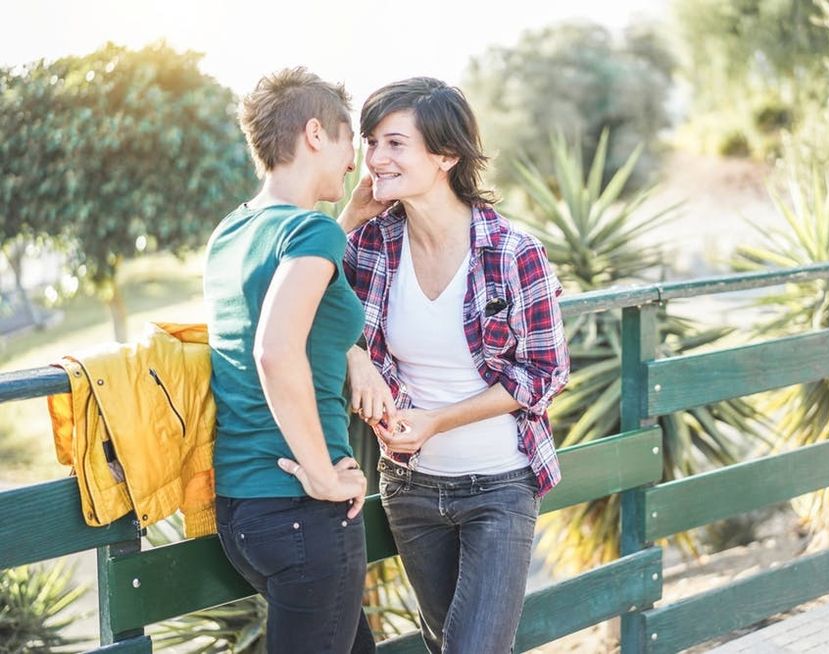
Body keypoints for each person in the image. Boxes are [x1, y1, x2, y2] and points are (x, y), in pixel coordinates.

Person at [343, 77, 570, 654]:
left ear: (445, 155)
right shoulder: (369, 243)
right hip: (410, 487)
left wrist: (437, 420)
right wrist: (346, 219)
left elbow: (544, 372)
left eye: (395, 143)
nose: (375, 159)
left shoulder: (513, 252)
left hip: (500, 485)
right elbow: (289, 303)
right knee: (447, 644)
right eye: (372, 142)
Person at [203, 67, 384, 654]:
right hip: (304, 508)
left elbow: (287, 314)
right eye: (348, 140)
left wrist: (352, 351)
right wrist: (324, 474)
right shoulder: (308, 233)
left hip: (243, 511)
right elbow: (275, 350)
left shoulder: (232, 231)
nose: (354, 160)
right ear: (314, 134)